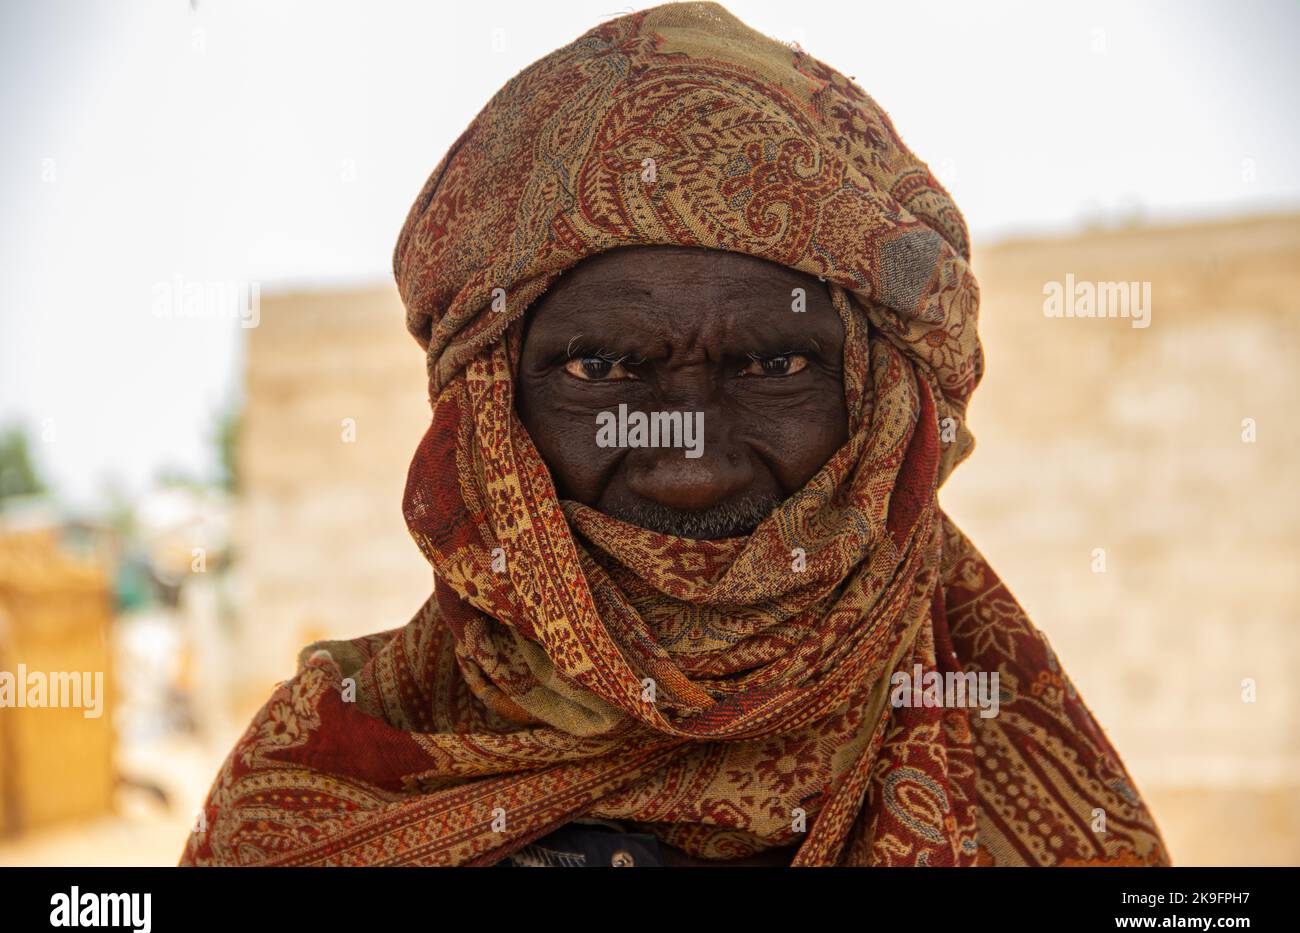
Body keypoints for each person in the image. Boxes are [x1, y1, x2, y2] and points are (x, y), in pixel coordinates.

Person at [182, 1, 1168, 867]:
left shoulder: (1027, 789)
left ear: (883, 409)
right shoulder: (318, 790)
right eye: (605, 367)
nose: (691, 460)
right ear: (488, 415)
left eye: (774, 363)